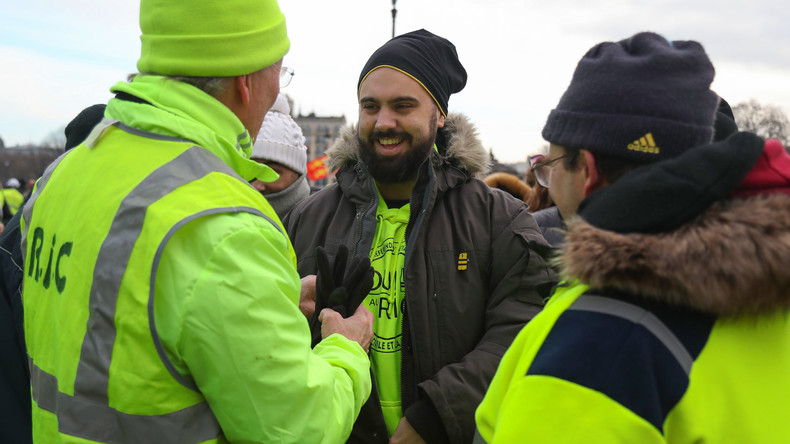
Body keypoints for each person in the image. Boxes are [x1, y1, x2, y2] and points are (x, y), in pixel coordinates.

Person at [21, 0, 374, 442]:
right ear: (246, 81)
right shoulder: (223, 223)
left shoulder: (64, 174)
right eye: (279, 72)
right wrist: (346, 347)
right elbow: (302, 427)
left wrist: (267, 299)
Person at [473, 32, 790, 443]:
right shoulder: (772, 286)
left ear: (587, 172)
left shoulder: (597, 342)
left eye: (550, 167)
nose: (546, 183)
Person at [284, 29, 556, 443]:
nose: (384, 122)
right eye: (370, 106)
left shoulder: (499, 220)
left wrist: (436, 416)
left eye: (403, 106)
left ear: (440, 115)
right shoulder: (308, 217)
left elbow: (522, 331)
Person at [251, 92, 314, 218]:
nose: (256, 185)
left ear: (297, 175)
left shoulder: (325, 226)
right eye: (248, 170)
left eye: (271, 172)